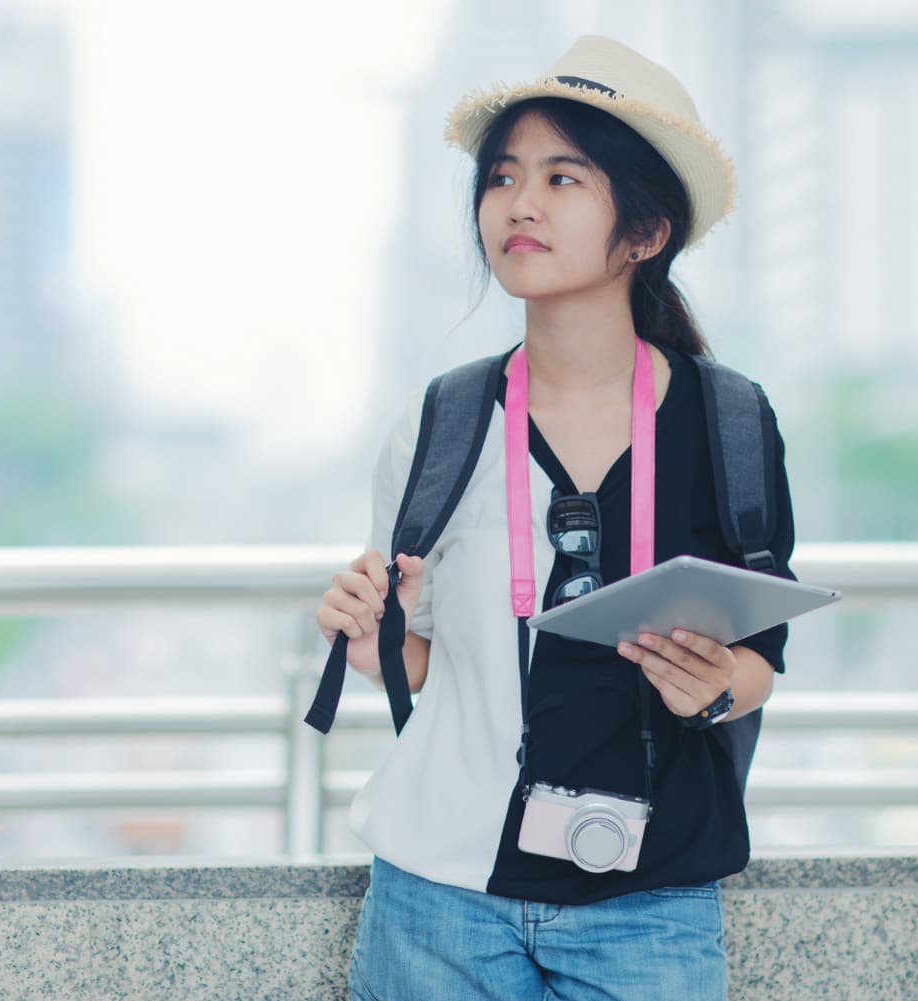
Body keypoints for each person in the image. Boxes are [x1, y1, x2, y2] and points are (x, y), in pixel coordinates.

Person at [314, 36, 798, 1001]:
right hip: (440, 894)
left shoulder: (730, 420)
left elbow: (759, 664)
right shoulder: (443, 420)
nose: (519, 204)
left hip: (650, 901)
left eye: (562, 178)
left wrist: (709, 687)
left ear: (645, 231)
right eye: (502, 177)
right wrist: (378, 644)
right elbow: (433, 664)